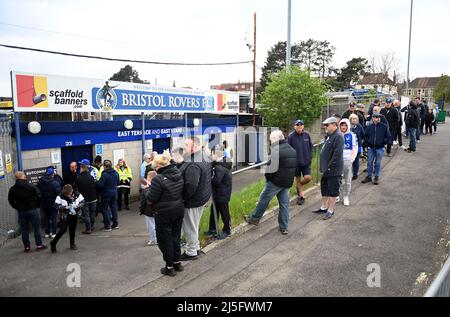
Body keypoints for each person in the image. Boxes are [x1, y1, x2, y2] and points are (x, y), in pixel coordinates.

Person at [245, 130, 297, 233]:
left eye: (271, 140)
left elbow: (269, 170)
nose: (271, 142)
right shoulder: (292, 150)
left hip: (276, 182)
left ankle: (254, 219)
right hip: (287, 183)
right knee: (284, 205)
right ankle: (284, 227)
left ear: (275, 139)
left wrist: (268, 179)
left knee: (263, 200)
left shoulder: (276, 150)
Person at [145, 151, 185, 277]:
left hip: (164, 213)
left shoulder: (158, 179)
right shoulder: (178, 172)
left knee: (165, 240)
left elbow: (151, 198)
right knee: (176, 236)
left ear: (158, 167)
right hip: (178, 209)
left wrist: (147, 189)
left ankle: (169, 267)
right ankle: (177, 262)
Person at [180, 137, 212, 260]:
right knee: (194, 224)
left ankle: (191, 252)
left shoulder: (193, 164)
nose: (184, 148)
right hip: (201, 198)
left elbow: (191, 185)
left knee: (190, 227)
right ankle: (196, 247)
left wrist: (183, 198)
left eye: (187, 145)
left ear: (194, 147)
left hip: (192, 201)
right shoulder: (203, 156)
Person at [312, 117, 344, 220]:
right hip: (326, 169)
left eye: (327, 125)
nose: (325, 127)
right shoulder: (329, 136)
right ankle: (324, 207)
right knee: (324, 188)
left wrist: (329, 167)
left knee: (333, 190)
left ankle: (330, 210)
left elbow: (337, 155)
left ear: (334, 125)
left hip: (333, 170)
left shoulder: (338, 136)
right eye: (325, 125)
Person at [8, 171, 47, 252]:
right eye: (24, 175)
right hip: (33, 209)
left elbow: (10, 200)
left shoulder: (12, 189)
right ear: (23, 176)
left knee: (24, 229)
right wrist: (37, 205)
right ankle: (39, 245)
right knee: (37, 228)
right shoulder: (31, 186)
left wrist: (17, 207)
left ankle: (27, 247)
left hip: (21, 211)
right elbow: (39, 196)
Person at [50, 184, 85, 253]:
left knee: (72, 230)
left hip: (74, 215)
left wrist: (78, 206)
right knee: (63, 229)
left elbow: (83, 202)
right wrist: (64, 207)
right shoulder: (60, 196)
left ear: (72, 190)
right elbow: (56, 205)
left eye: (69, 194)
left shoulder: (77, 194)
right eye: (67, 195)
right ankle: (53, 243)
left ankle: (72, 244)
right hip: (64, 216)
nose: (68, 196)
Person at [207, 148, 232, 239]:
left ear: (216, 155)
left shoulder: (219, 167)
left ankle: (227, 230)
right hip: (220, 193)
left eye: (212, 154)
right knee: (214, 211)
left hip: (222, 194)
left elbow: (217, 181)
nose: (210, 156)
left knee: (224, 212)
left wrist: (209, 178)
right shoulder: (223, 162)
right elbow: (212, 164)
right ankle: (212, 228)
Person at [287, 119, 313, 205]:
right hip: (296, 163)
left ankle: (298, 186)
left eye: (301, 125)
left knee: (307, 178)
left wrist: (310, 157)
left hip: (306, 162)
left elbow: (311, 147)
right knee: (297, 178)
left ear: (303, 126)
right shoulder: (291, 136)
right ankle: (301, 196)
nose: (299, 126)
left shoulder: (307, 135)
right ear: (294, 126)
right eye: (297, 125)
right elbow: (288, 149)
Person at [361, 113, 391, 185]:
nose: (377, 119)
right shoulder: (369, 127)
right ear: (372, 118)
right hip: (371, 148)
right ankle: (369, 176)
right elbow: (365, 136)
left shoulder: (384, 127)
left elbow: (388, 137)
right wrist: (368, 143)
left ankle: (376, 177)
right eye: (376, 117)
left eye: (378, 117)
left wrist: (383, 143)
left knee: (377, 163)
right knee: (369, 162)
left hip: (380, 148)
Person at [37, 167, 61, 238]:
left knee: (46, 217)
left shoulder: (40, 182)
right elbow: (58, 193)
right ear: (52, 174)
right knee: (53, 218)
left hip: (44, 203)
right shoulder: (54, 183)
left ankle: (47, 233)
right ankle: (53, 233)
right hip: (53, 203)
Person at [338, 119, 358, 206]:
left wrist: (351, 159)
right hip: (338, 161)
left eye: (345, 125)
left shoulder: (352, 135)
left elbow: (355, 148)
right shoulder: (336, 135)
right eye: (342, 125)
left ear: (348, 126)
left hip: (347, 161)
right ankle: (337, 195)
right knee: (338, 179)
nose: (344, 127)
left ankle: (346, 196)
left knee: (348, 180)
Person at [97, 160, 120, 231]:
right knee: (114, 208)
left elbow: (100, 185)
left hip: (106, 194)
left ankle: (107, 226)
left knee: (105, 209)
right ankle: (115, 224)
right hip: (114, 193)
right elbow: (118, 182)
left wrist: (96, 183)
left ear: (105, 166)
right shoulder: (116, 173)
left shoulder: (104, 175)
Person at [76, 160, 98, 234]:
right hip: (93, 198)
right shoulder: (91, 177)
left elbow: (77, 189)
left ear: (82, 168)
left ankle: (88, 229)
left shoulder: (79, 178)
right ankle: (92, 226)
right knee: (92, 213)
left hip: (85, 199)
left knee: (86, 214)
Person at [140, 171, 158, 246]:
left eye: (147, 177)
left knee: (151, 225)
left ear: (150, 178)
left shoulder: (149, 187)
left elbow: (148, 198)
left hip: (149, 208)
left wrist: (146, 188)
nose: (146, 178)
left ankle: (154, 239)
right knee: (154, 224)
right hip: (154, 208)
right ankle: (155, 238)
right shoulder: (157, 185)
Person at [349, 114, 364, 180]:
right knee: (349, 161)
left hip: (357, 146)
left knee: (356, 161)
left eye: (356, 119)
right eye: (353, 119)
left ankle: (355, 174)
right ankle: (348, 174)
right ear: (350, 119)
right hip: (348, 147)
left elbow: (363, 135)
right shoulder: (348, 126)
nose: (355, 120)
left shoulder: (359, 126)